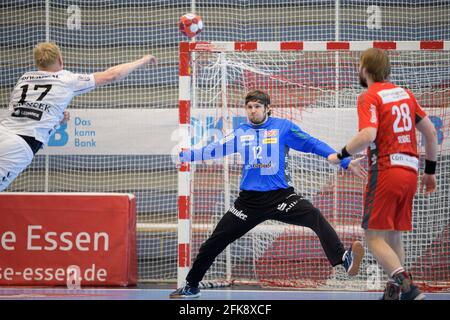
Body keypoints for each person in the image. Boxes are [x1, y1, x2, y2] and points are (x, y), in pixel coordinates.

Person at [170, 89, 366, 298]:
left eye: (257, 107)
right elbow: (215, 149)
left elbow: (312, 143)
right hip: (248, 203)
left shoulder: (283, 127)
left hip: (281, 197)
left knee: (314, 216)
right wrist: (188, 155)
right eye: (249, 107)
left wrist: (345, 161)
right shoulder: (241, 132)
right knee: (215, 242)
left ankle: (343, 259)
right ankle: (191, 285)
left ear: (267, 108)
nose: (253, 111)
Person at [329, 48, 438, 300]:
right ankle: (393, 293)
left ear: (365, 68)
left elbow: (368, 135)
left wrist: (341, 154)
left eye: (359, 65)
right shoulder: (405, 94)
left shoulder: (369, 96)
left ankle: (409, 289)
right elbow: (430, 132)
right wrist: (430, 172)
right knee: (393, 235)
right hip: (411, 172)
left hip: (387, 171)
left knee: (373, 236)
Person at [0, 42, 156, 191]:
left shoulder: (24, 78)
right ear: (60, 60)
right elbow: (112, 75)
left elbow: (23, 110)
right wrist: (143, 60)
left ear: (38, 63)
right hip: (19, 145)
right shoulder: (67, 79)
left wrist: (57, 118)